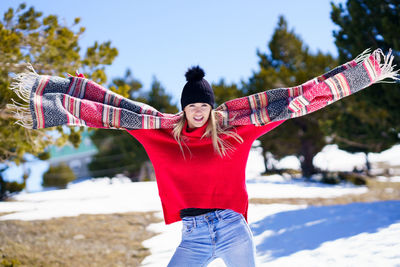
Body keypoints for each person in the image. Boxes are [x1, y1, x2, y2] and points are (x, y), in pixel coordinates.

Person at [7, 48, 399, 266]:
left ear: (211, 107)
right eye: (192, 104)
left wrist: (355, 78)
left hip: (233, 229)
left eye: (203, 104)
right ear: (185, 107)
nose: (198, 109)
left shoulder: (237, 131)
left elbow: (294, 102)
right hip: (192, 235)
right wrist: (56, 102)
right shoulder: (159, 134)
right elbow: (109, 112)